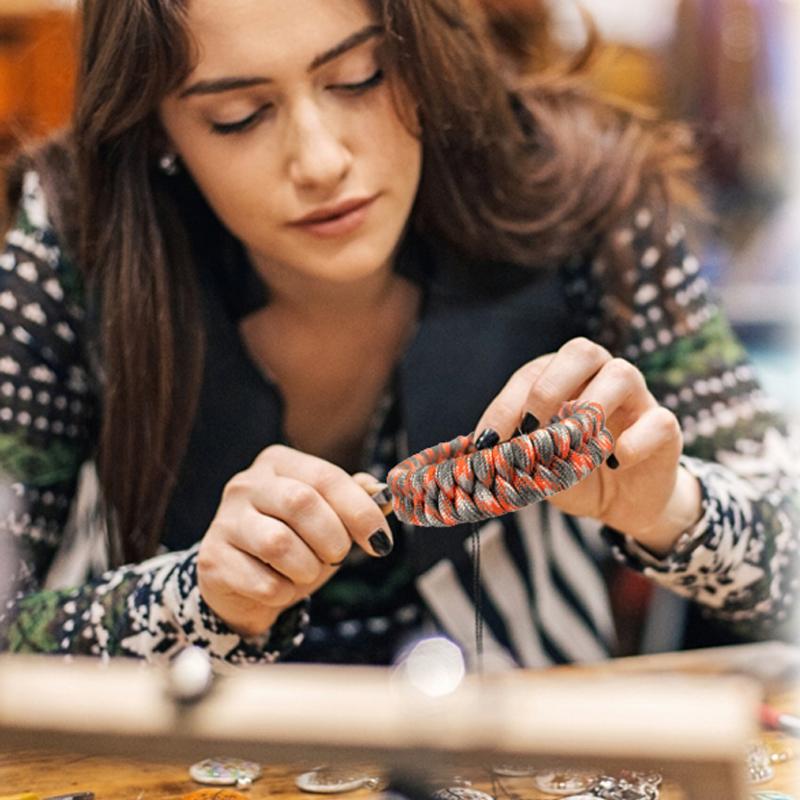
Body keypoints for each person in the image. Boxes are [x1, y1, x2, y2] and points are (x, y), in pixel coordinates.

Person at [0, 0, 796, 669]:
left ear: (425, 52)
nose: (318, 160)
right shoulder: (75, 241)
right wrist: (194, 600)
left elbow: (787, 563)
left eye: (360, 77)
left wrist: (670, 504)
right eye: (236, 116)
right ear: (157, 129)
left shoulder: (583, 193)